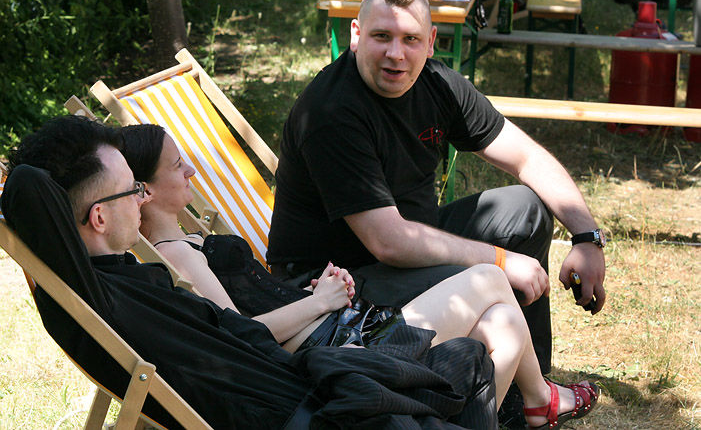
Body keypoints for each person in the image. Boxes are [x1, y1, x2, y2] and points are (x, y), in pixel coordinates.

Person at [5, 115, 501, 429]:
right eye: (131, 190)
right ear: (97, 218)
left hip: (312, 382)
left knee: (468, 355)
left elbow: (236, 333)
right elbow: (27, 185)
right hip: (318, 417)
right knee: (467, 361)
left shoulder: (121, 281)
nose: (141, 198)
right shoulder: (109, 297)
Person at [266, 0, 606, 426]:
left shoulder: (436, 83)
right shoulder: (331, 112)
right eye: (381, 36)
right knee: (492, 276)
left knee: (523, 209)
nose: (395, 54)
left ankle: (527, 390)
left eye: (410, 39)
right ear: (355, 35)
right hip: (336, 284)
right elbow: (389, 241)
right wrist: (502, 260)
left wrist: (586, 236)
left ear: (430, 42)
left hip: (405, 252)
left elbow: (525, 156)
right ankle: (533, 400)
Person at [120, 122, 600, 430]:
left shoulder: (191, 241)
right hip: (342, 354)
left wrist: (309, 294)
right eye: (177, 165)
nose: (191, 169)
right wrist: (321, 302)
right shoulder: (176, 257)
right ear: (144, 191)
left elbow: (249, 303)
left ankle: (507, 413)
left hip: (340, 328)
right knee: (489, 279)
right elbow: (242, 337)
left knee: (505, 324)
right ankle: (540, 400)